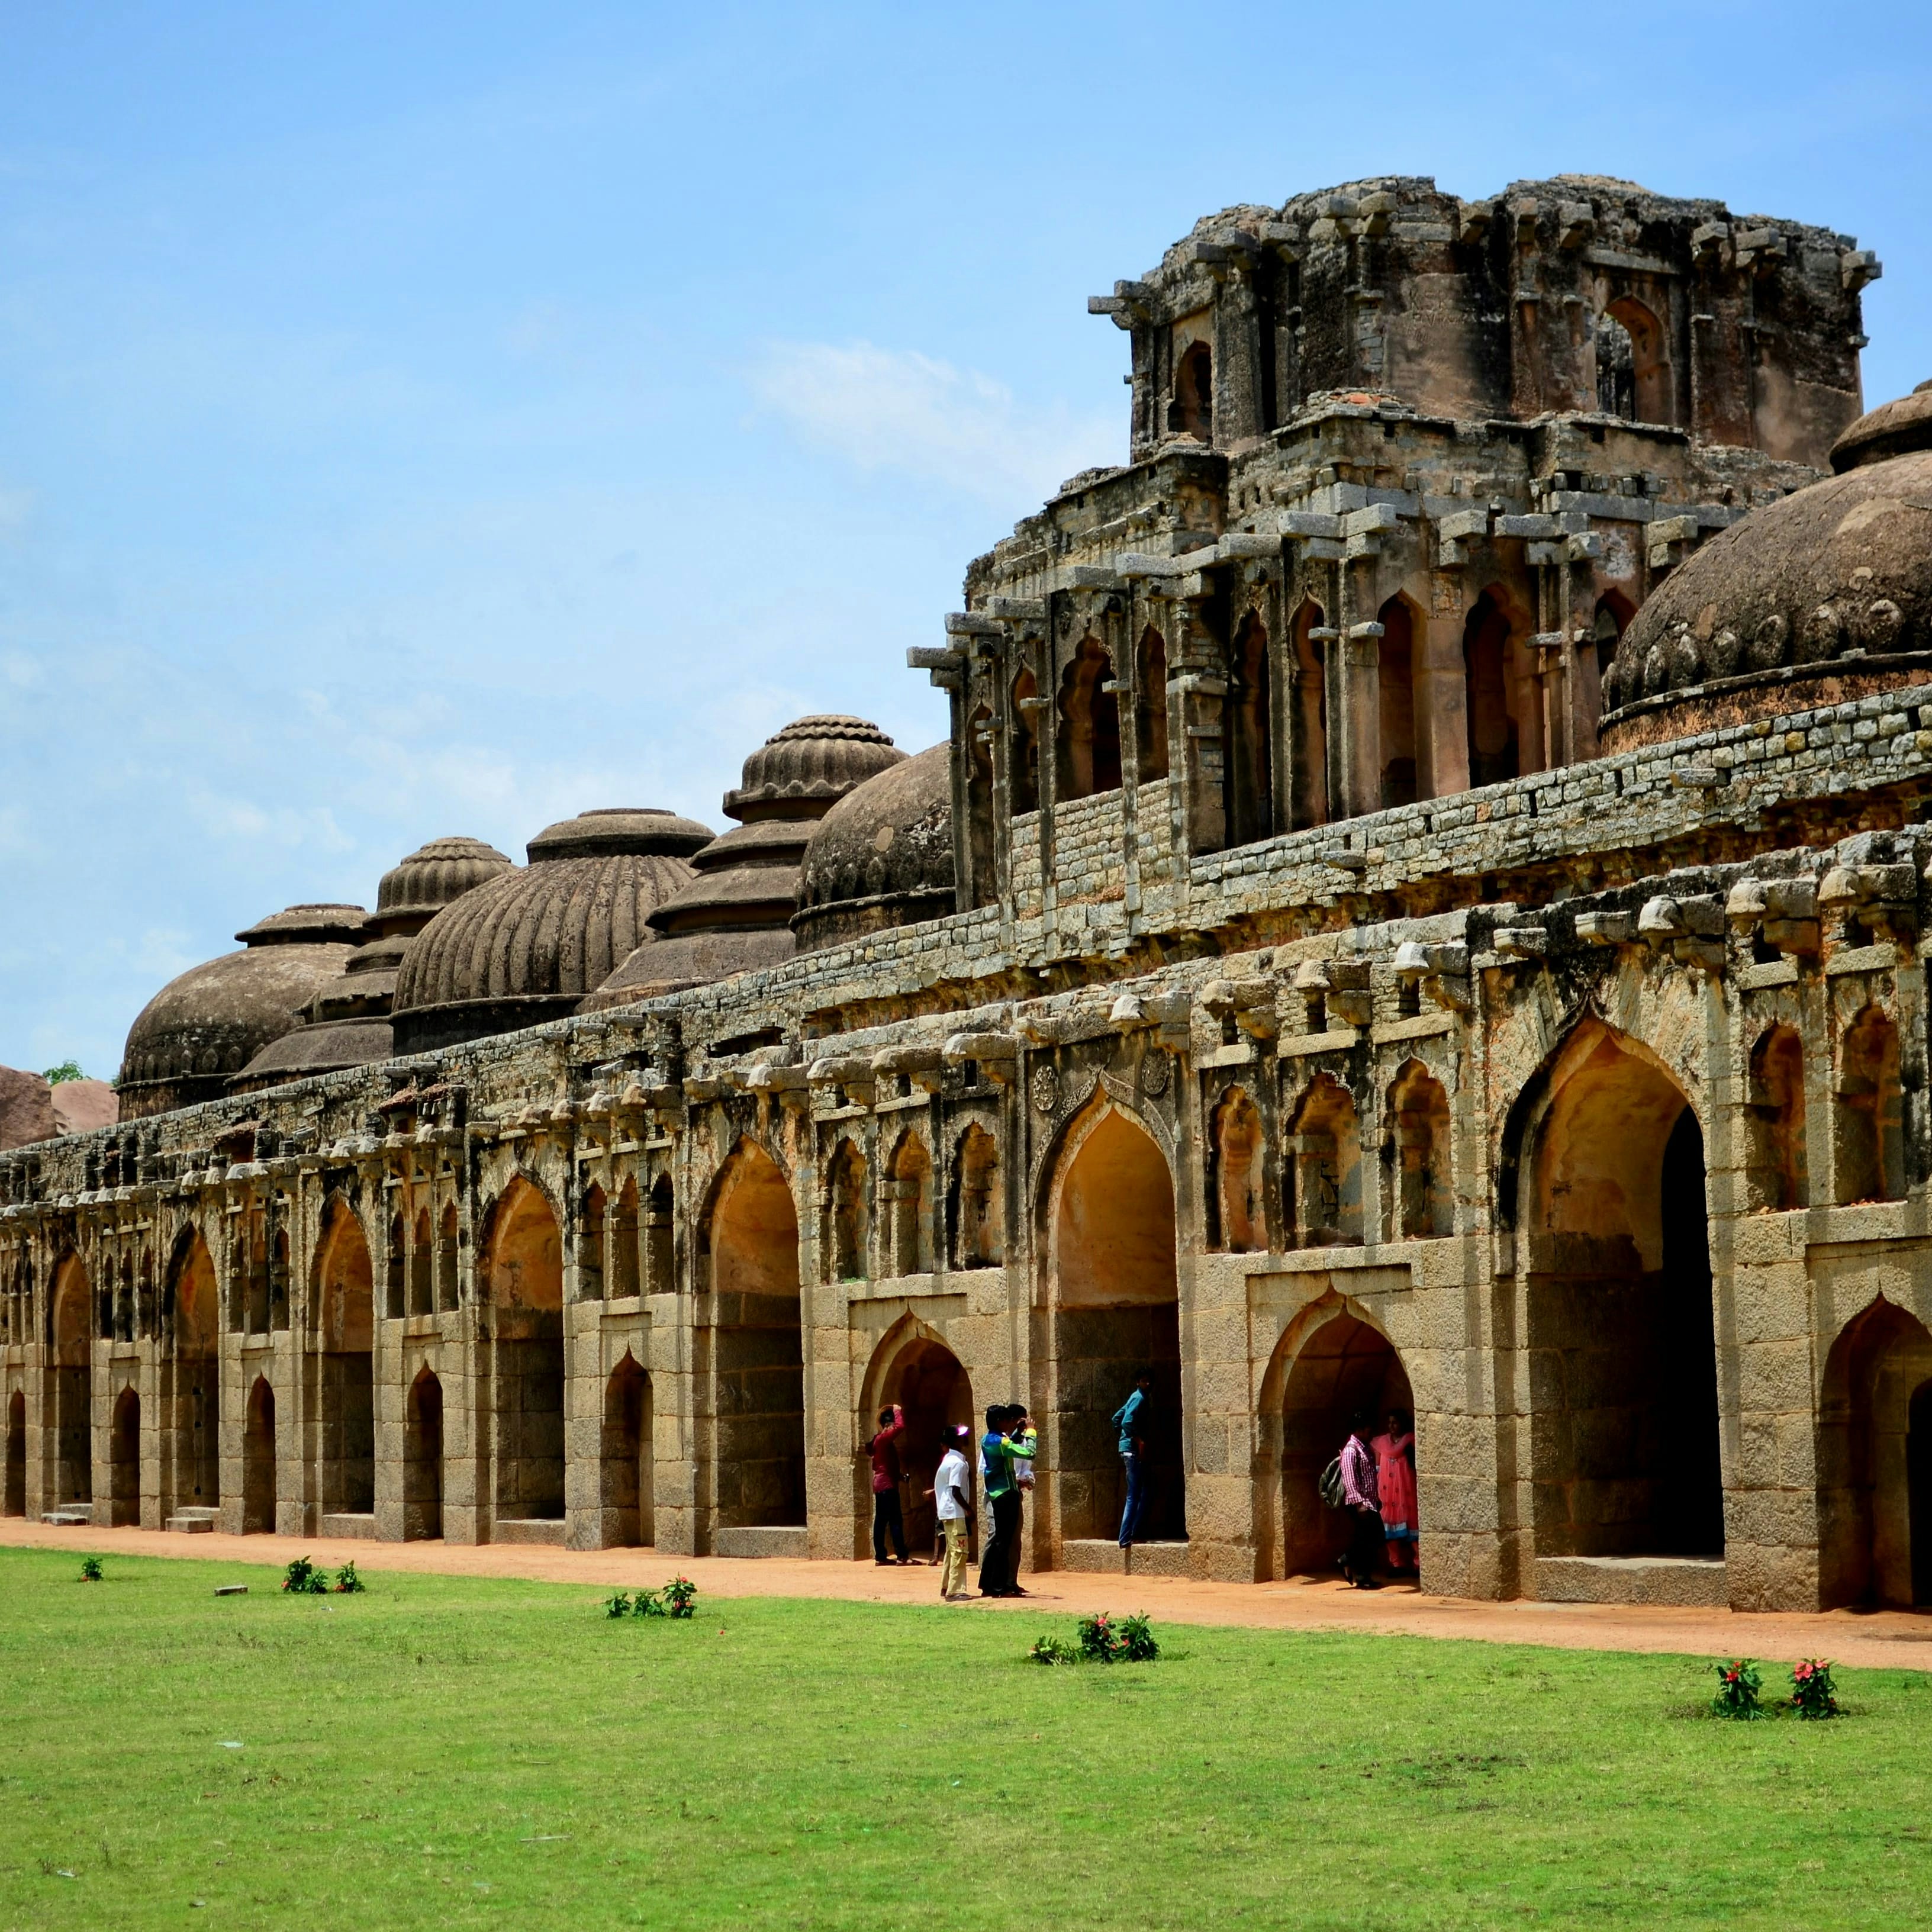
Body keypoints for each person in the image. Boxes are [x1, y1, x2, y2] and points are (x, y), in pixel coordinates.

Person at [978, 1405, 1032, 1598]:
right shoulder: (998, 1441)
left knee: (1006, 1541)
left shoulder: (994, 1439)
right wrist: (1031, 1434)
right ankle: (997, 1587)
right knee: (1000, 1541)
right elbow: (1028, 1453)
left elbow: (1010, 1444)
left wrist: (1020, 1431)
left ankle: (997, 1584)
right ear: (1001, 1421)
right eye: (1009, 1421)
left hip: (1005, 1493)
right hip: (1001, 1494)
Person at [1335, 1412, 1383, 1589]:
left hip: (1369, 1501)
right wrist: (1359, 1503)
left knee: (1372, 1538)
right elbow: (1350, 1478)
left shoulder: (1365, 1448)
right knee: (1368, 1538)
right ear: (1360, 1430)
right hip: (1359, 1503)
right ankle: (1347, 1562)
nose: (1372, 1432)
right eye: (1369, 1429)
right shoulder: (1351, 1450)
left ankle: (1363, 1575)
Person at [926, 1424, 973, 1600]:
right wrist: (969, 1510)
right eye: (961, 1436)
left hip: (948, 1512)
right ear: (955, 1441)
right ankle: (956, 1590)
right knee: (960, 1551)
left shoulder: (948, 1460)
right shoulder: (957, 1463)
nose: (964, 1439)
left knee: (952, 1551)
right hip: (955, 1511)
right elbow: (956, 1490)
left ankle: (946, 1587)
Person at [1372, 1408, 1418, 1576]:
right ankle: (1396, 1563)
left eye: (1395, 1422)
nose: (1392, 1426)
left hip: (1407, 1491)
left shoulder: (1410, 1441)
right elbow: (1377, 1468)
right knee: (1389, 1530)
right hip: (1387, 1493)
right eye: (1389, 1423)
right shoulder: (1381, 1443)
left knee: (1413, 1528)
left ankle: (1418, 1562)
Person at [1112, 1373, 1153, 1548]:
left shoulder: (1135, 1396)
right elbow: (1126, 1422)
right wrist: (1136, 1440)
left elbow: (1116, 1419)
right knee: (1134, 1494)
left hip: (1127, 1450)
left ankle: (1134, 1534)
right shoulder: (1139, 1398)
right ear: (1138, 1382)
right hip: (1132, 1452)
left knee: (1145, 1490)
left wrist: (1123, 1440)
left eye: (1149, 1380)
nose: (1148, 1383)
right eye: (1144, 1380)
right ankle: (1127, 1537)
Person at [866, 1403, 910, 1565]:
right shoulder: (883, 1439)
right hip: (887, 1487)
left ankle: (881, 1556)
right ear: (887, 1426)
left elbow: (885, 1466)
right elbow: (901, 1427)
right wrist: (898, 1411)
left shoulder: (880, 1442)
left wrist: (899, 1477)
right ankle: (901, 1555)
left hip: (883, 1485)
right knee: (895, 1520)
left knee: (881, 1521)